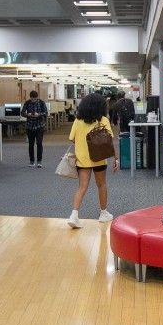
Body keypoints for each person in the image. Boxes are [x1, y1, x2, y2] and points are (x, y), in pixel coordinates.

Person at [67, 92, 119, 228]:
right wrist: (116, 157)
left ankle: (74, 215)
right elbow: (109, 140)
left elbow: (71, 138)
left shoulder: (78, 121)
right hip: (99, 158)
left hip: (83, 159)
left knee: (82, 187)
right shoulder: (103, 120)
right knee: (101, 185)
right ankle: (103, 213)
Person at [23, 90, 48, 167]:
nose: (33, 100)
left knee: (39, 143)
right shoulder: (27, 103)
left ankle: (39, 161)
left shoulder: (41, 103)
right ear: (30, 98)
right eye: (32, 99)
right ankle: (31, 161)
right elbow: (22, 113)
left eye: (35, 99)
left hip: (39, 126)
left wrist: (39, 114)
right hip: (30, 126)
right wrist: (28, 114)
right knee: (31, 144)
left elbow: (46, 113)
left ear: (37, 98)